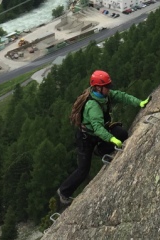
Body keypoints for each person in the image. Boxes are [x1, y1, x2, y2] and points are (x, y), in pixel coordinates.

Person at [56, 69, 150, 208]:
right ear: (98, 88)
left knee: (122, 134)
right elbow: (97, 128)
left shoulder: (105, 96)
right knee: (83, 170)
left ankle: (100, 150)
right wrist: (111, 139)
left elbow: (122, 96)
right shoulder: (92, 105)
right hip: (86, 138)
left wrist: (139, 102)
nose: (109, 89)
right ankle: (63, 192)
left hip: (98, 133)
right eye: (106, 86)